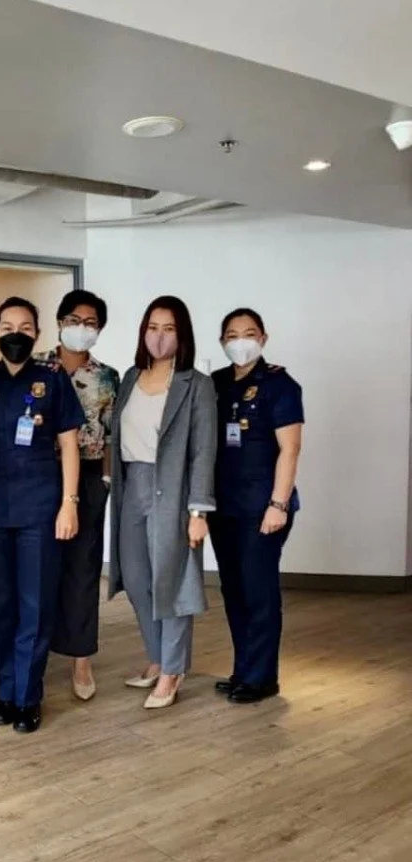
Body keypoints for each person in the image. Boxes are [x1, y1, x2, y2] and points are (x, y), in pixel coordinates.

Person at [0, 297, 83, 735]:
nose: (16, 332)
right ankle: (5, 692)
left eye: (25, 326)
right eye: (7, 325)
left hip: (40, 505)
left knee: (35, 604)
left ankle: (29, 696)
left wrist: (68, 504)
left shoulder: (52, 378)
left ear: (37, 333)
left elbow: (70, 443)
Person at [108, 296, 217, 710]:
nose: (159, 336)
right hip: (130, 488)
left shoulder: (196, 385)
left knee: (171, 583)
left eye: (168, 328)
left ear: (182, 334)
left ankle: (172, 670)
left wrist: (198, 512)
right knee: (136, 580)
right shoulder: (131, 377)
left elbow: (203, 452)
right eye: (152, 327)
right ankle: (157, 657)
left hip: (172, 491)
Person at [210, 308, 303, 704]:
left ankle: (263, 677)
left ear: (263, 338)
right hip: (225, 506)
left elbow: (291, 448)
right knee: (233, 591)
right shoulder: (215, 384)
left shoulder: (280, 384)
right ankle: (244, 670)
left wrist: (278, 504)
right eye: (232, 334)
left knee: (258, 592)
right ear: (222, 342)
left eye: (249, 333)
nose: (241, 340)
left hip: (264, 507)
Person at [37, 291, 120, 701]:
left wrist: (103, 482)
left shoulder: (108, 377)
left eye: (90, 322)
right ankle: (31, 655)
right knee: (38, 565)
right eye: (74, 319)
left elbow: (109, 439)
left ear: (100, 329)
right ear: (58, 321)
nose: (81, 328)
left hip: (86, 478)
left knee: (83, 569)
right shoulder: (34, 366)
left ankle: (81, 659)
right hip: (38, 475)